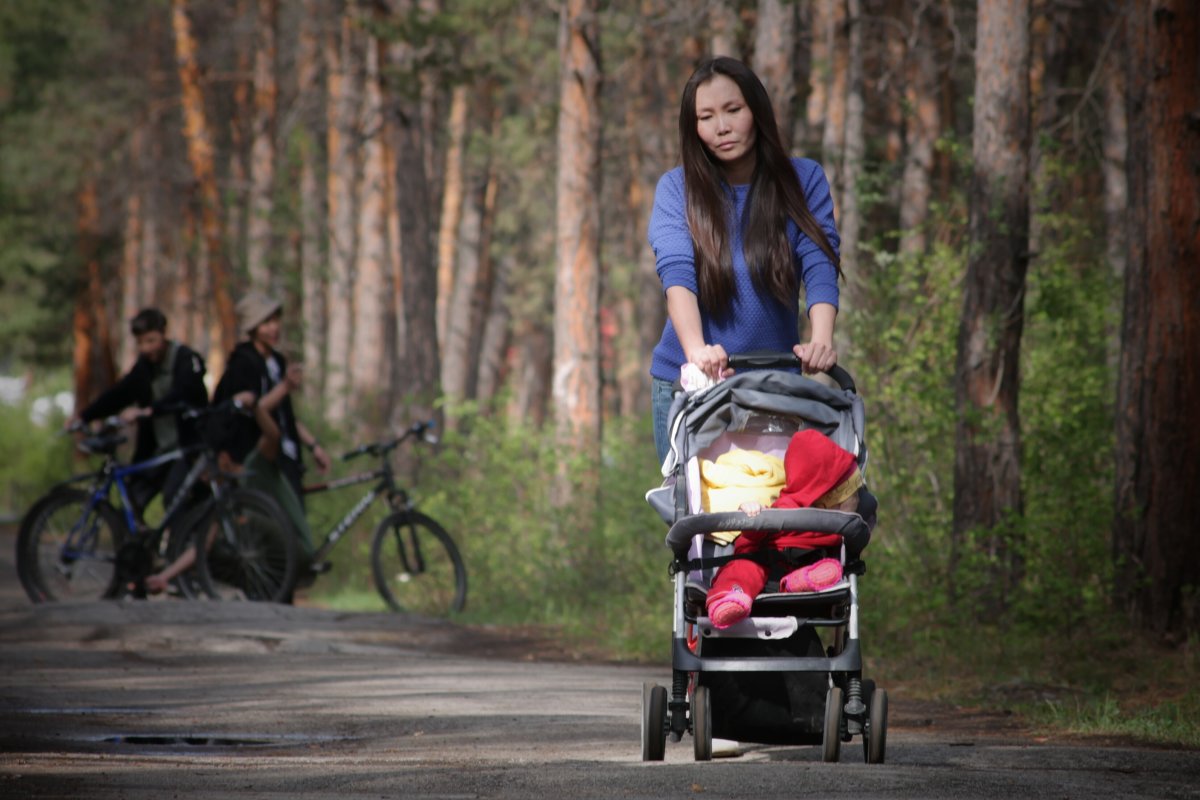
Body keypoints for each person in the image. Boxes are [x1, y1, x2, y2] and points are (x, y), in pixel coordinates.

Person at [648, 56, 843, 464]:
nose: (721, 127)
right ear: (694, 127)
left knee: (783, 516)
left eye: (733, 110)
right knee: (702, 518)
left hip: (776, 386)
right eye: (706, 117)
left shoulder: (804, 180)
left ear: (756, 109)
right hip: (691, 386)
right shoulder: (676, 189)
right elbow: (677, 276)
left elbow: (820, 262)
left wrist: (821, 339)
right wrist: (697, 350)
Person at [144, 367, 313, 594]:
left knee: (242, 523)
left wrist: (256, 406)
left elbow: (273, 435)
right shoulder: (228, 497)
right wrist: (164, 577)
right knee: (217, 542)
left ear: (223, 459)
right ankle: (261, 590)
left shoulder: (257, 466)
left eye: (207, 469)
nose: (204, 477)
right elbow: (203, 545)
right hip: (273, 562)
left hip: (297, 550)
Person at [705, 429, 864, 629]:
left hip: (803, 568)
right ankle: (730, 597)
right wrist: (753, 514)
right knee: (742, 570)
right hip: (761, 560)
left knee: (830, 567)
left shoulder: (834, 525)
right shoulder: (784, 508)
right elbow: (753, 537)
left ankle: (797, 582)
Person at [67, 308, 207, 521]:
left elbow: (183, 393)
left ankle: (176, 550)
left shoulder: (186, 359)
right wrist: (85, 416)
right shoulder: (144, 367)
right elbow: (120, 394)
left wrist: (147, 411)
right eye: (141, 343)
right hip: (155, 450)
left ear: (163, 333)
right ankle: (136, 548)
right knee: (133, 498)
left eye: (151, 341)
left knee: (174, 499)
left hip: (185, 448)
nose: (146, 348)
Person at [211, 292, 330, 506]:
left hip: (286, 457)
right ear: (253, 327)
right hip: (257, 459)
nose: (274, 328)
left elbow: (286, 415)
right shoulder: (242, 364)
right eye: (266, 322)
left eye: (275, 320)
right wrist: (285, 387)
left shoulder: (277, 361)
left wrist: (313, 446)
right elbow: (251, 410)